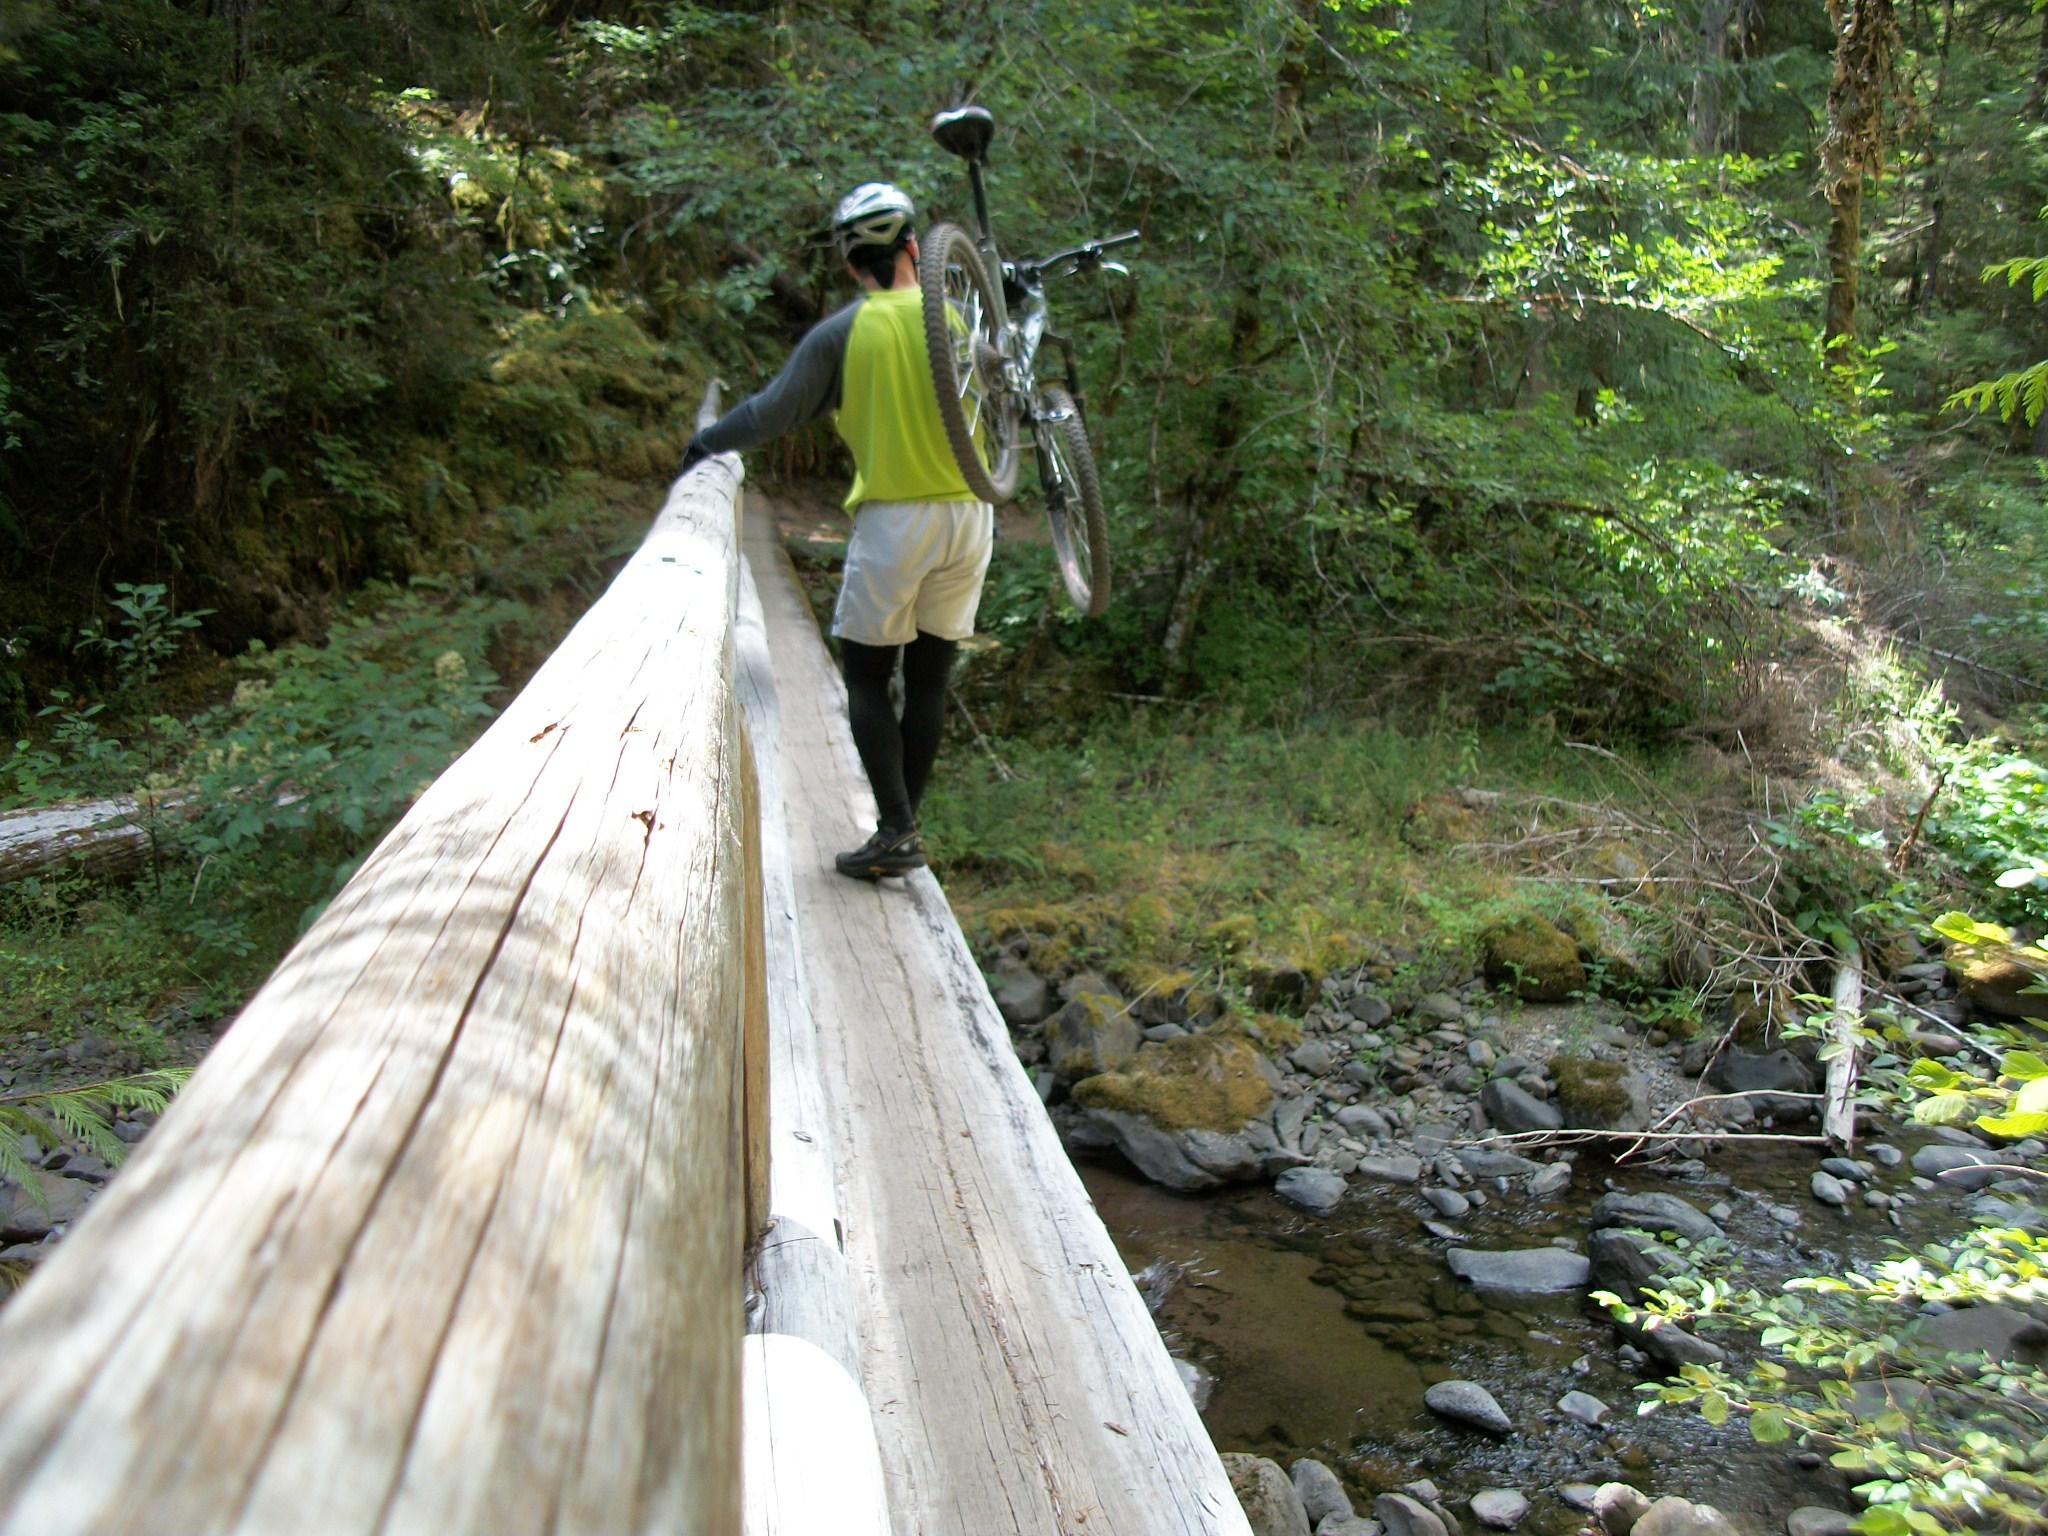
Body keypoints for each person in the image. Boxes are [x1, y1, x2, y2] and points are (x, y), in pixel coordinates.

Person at [679, 183, 993, 881]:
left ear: (854, 267)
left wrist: (707, 445)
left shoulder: (846, 332)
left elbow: (771, 413)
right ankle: (902, 827)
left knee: (867, 675)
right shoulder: (961, 324)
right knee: (932, 678)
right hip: (973, 518)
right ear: (915, 248)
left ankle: (897, 827)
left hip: (896, 519)